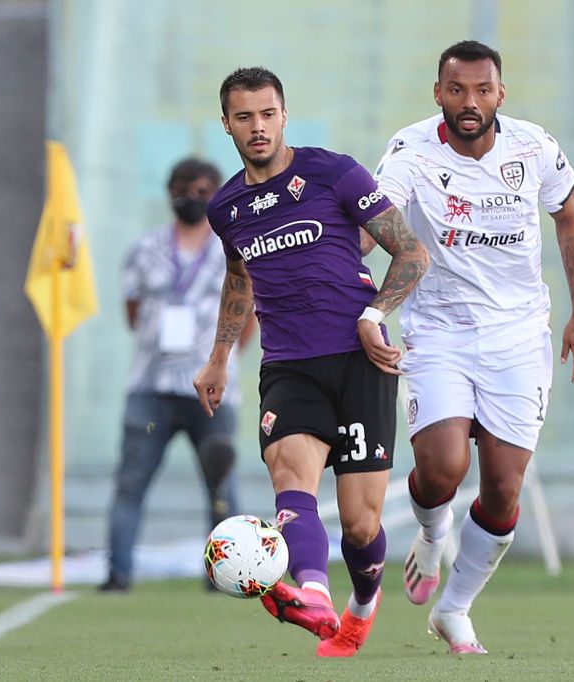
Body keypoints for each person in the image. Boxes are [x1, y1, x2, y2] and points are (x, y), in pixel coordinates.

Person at [194, 67, 429, 657]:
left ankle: (362, 604)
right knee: (289, 473)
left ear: (284, 114)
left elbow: (410, 250)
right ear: (226, 124)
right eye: (244, 117)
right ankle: (314, 596)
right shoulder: (226, 207)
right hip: (290, 366)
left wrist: (374, 314)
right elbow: (239, 278)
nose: (258, 127)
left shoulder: (332, 171)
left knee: (360, 525)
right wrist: (220, 356)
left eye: (267, 113)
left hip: (359, 360)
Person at [374, 40, 574, 654]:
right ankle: (430, 529)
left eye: (482, 90)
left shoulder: (534, 147)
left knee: (502, 489)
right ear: (437, 92)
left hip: (520, 336)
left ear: (501, 94)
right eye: (456, 90)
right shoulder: (410, 150)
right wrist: (364, 304)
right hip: (439, 329)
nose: (469, 103)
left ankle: (456, 608)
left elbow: (569, 218)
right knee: (443, 469)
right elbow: (376, 223)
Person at [99, 158, 255, 593]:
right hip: (151, 387)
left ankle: (228, 575)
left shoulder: (233, 248)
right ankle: (118, 572)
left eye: (205, 190)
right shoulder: (144, 250)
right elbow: (132, 312)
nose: (194, 197)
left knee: (221, 486)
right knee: (131, 482)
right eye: (185, 188)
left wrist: (220, 359)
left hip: (211, 389)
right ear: (169, 193)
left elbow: (248, 315)